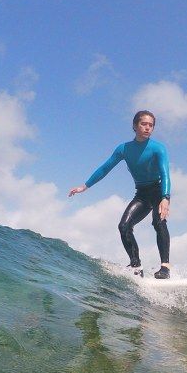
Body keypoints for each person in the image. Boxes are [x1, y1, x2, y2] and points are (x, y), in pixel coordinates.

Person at [69, 110, 172, 279]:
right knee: (124, 226)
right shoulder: (124, 149)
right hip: (142, 193)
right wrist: (85, 186)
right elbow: (105, 168)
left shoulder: (158, 148)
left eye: (151, 125)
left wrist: (165, 197)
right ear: (135, 125)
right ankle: (136, 266)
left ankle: (165, 268)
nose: (147, 128)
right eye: (143, 124)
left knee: (159, 222)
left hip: (158, 190)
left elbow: (165, 173)